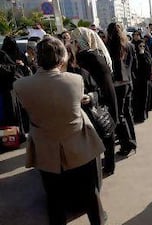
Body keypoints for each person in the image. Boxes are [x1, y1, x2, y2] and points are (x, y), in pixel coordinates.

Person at [13, 37, 105, 225]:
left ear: (36, 59)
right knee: (89, 193)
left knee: (54, 198)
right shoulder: (75, 80)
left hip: (45, 148)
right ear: (62, 59)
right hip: (78, 146)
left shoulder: (21, 85)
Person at [71, 27, 119, 175]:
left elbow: (84, 79)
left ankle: (100, 167)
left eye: (74, 40)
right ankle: (110, 165)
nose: (72, 43)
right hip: (108, 96)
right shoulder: (98, 53)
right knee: (108, 130)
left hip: (96, 98)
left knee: (97, 133)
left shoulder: (84, 56)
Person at [106, 22, 138, 157]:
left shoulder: (109, 46)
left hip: (117, 85)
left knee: (119, 116)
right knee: (127, 113)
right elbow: (135, 64)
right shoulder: (129, 45)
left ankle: (127, 144)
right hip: (128, 83)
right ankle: (132, 141)